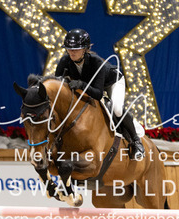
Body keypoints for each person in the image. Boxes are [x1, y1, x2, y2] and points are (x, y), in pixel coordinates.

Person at [55, 28, 145, 161]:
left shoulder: (96, 62)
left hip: (113, 82)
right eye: (69, 49)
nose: (72, 52)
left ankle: (136, 141)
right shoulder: (65, 61)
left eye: (76, 49)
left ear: (85, 49)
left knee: (117, 109)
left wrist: (81, 84)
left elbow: (97, 94)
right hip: (91, 85)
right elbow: (57, 83)